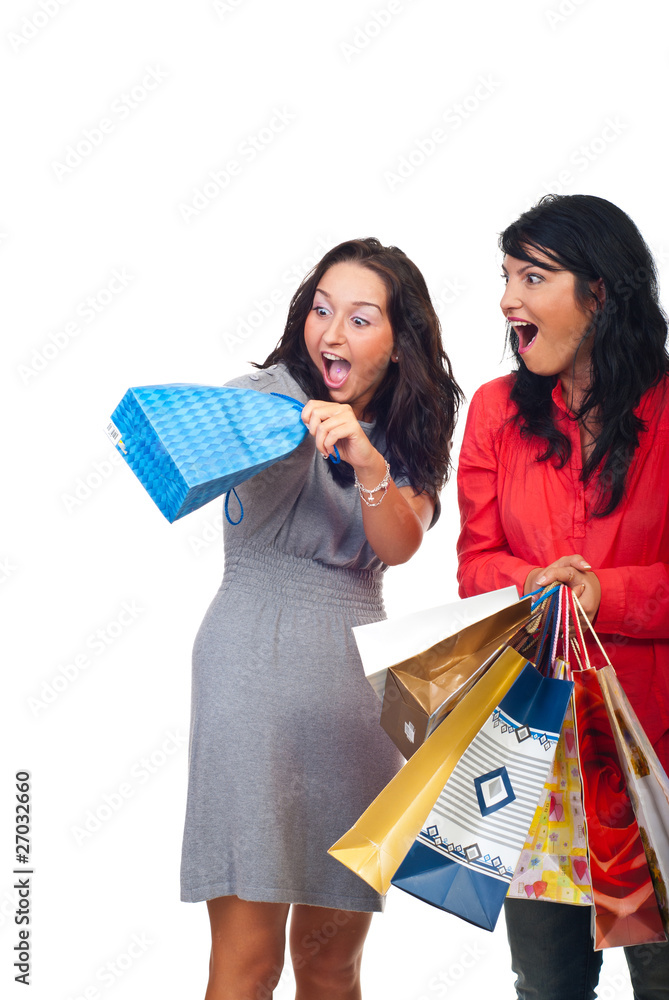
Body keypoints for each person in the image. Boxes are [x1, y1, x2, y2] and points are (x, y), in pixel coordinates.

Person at [181, 237, 461, 999]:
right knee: (247, 959)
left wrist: (369, 463)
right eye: (320, 309)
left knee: (331, 958)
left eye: (359, 318)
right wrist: (258, 429)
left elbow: (397, 546)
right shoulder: (261, 399)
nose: (330, 333)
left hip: (351, 697)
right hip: (248, 673)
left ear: (399, 344)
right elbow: (195, 456)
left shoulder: (407, 439)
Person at [457, 193, 669, 999]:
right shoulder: (493, 413)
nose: (509, 299)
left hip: (652, 750)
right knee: (545, 986)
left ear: (600, 292)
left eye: (533, 276)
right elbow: (476, 564)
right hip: (534, 755)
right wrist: (530, 584)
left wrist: (599, 593)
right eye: (507, 276)